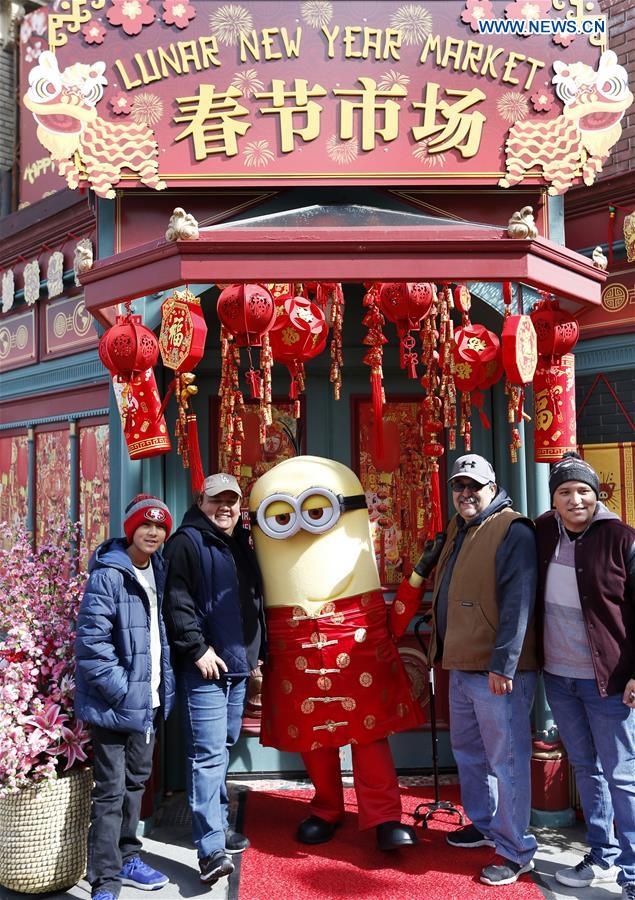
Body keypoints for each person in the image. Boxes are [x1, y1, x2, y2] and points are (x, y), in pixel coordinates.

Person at [248, 456, 422, 852]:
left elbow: (394, 621)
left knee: (370, 736)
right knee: (313, 739)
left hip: (356, 639)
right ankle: (327, 807)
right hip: (292, 641)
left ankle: (384, 815)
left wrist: (415, 581)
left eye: (315, 511)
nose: (303, 523)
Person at [395, 453, 538, 886]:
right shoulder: (459, 526)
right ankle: (486, 823)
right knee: (471, 754)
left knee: (507, 760)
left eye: (474, 486)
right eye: (459, 486)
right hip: (459, 662)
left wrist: (504, 663)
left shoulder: (512, 529)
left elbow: (519, 602)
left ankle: (516, 851)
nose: (466, 494)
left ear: (492, 488)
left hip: (495, 670)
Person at [536, 452, 635, 899]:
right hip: (560, 677)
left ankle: (632, 872)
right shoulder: (541, 534)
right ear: (553, 500)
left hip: (611, 681)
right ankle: (601, 853)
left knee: (623, 775)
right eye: (565, 491)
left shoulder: (621, 539)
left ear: (597, 495)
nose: (575, 499)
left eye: (583, 491)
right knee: (587, 770)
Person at [163, 473, 265, 886]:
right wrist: (197, 648)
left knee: (220, 749)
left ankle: (218, 827)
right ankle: (210, 850)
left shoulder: (239, 541)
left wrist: (257, 658)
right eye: (215, 500)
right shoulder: (186, 542)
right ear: (200, 500)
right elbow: (176, 601)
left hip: (238, 666)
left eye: (231, 500)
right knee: (206, 755)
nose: (224, 507)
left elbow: (251, 602)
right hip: (205, 667)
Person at [75, 495, 176, 900]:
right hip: (114, 705)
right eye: (145, 526)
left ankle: (128, 856)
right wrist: (123, 691)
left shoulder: (160, 570)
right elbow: (91, 645)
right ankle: (105, 878)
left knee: (136, 784)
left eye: (159, 527)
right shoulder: (108, 574)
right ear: (130, 528)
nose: (152, 533)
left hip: (147, 702)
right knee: (111, 790)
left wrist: (152, 693)